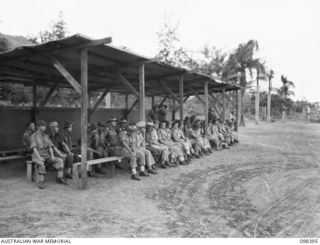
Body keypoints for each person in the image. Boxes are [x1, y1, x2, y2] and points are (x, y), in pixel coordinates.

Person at [30, 120, 66, 189]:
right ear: (39, 127)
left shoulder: (46, 136)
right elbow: (34, 149)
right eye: (43, 126)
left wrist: (52, 156)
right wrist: (39, 158)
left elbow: (50, 146)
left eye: (45, 126)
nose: (45, 127)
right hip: (37, 155)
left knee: (59, 161)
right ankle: (41, 182)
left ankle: (59, 178)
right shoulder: (33, 136)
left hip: (46, 155)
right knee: (41, 164)